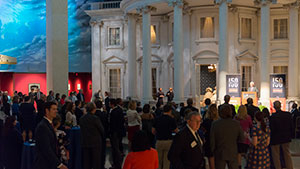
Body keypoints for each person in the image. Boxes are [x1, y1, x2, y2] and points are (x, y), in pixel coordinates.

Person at [34, 102, 68, 169]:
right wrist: (59, 164)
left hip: (50, 163)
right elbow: (46, 149)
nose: (56, 111)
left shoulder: (49, 124)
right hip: (45, 164)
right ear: (47, 111)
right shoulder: (42, 126)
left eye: (56, 109)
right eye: (54, 109)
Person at [210, 104, 244, 169]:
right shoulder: (236, 123)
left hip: (220, 152)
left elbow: (212, 140)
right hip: (232, 152)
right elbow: (242, 138)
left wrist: (213, 151)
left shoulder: (215, 124)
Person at [152, 104, 178, 169]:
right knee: (167, 161)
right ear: (170, 111)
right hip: (168, 141)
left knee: (158, 161)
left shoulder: (157, 118)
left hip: (159, 141)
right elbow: (176, 131)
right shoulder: (171, 119)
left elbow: (153, 131)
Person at [80, 102, 105, 169]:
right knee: (96, 162)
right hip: (95, 143)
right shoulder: (95, 118)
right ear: (93, 109)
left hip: (85, 142)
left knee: (86, 162)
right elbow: (101, 129)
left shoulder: (82, 118)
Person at [270, 101, 293, 169]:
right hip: (286, 137)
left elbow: (272, 128)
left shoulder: (273, 117)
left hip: (276, 138)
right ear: (281, 106)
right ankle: (290, 167)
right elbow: (291, 126)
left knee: (276, 155)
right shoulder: (288, 115)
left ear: (274, 107)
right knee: (287, 154)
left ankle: (278, 167)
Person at [201, 104, 219, 169]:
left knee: (210, 157)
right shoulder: (218, 121)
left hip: (208, 140)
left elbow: (202, 130)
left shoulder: (206, 121)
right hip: (218, 141)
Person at [109, 98, 125, 169]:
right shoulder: (120, 110)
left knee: (115, 148)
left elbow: (112, 123)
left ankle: (116, 164)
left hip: (114, 132)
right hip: (119, 131)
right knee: (117, 147)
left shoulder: (113, 112)